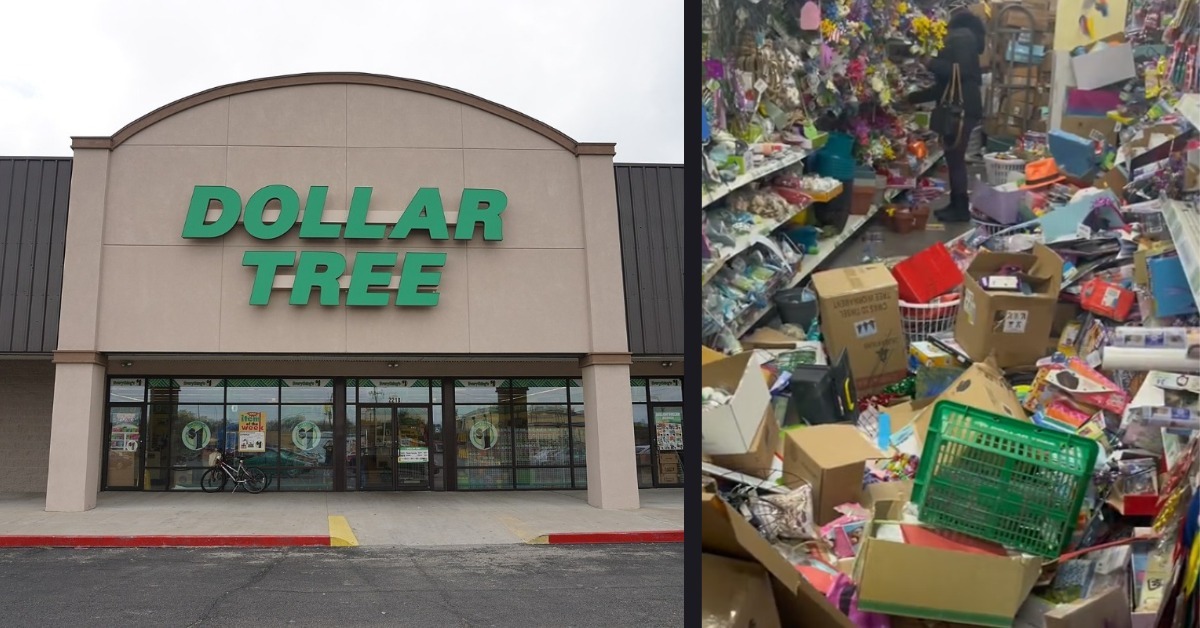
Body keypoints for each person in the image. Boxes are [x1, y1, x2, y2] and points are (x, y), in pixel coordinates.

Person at [906, 10, 987, 223]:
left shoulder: (961, 38)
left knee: (956, 159)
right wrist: (912, 98)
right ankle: (956, 204)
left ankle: (960, 209)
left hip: (960, 109)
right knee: (954, 159)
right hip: (963, 107)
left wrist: (929, 62)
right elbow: (945, 85)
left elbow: (960, 71)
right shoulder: (967, 38)